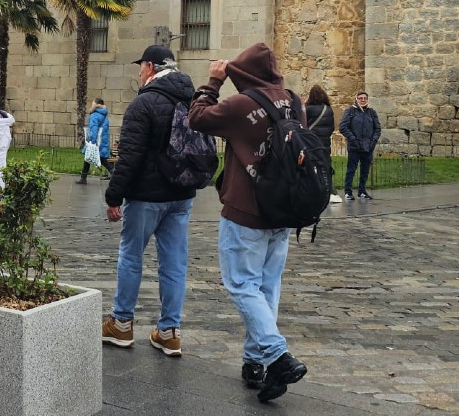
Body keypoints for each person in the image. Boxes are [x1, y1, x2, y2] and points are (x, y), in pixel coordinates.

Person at [187, 42, 308, 403]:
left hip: (246, 211)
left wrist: (213, 81)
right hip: (283, 210)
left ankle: (277, 356)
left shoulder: (241, 105)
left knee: (242, 284)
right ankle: (256, 362)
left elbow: (197, 118)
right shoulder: (295, 101)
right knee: (267, 287)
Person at [101, 46, 199, 357]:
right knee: (174, 263)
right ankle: (169, 331)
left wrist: (113, 195)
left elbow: (129, 157)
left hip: (146, 196)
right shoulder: (192, 99)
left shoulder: (143, 104)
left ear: (151, 67)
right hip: (181, 195)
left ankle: (122, 323)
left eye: (141, 66)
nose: (139, 72)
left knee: (131, 256)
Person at [339, 91, 381, 201]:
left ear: (367, 100)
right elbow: (343, 127)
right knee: (351, 169)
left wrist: (373, 141)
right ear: (356, 99)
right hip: (354, 146)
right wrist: (352, 139)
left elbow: (377, 128)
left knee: (365, 170)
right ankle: (348, 192)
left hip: (368, 146)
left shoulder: (372, 113)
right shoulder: (350, 111)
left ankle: (362, 191)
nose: (363, 100)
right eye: (360, 98)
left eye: (365, 98)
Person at [304, 84, 340, 205]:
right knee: (325, 167)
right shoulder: (328, 109)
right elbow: (331, 128)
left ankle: (311, 191)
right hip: (324, 144)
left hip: (310, 143)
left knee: (310, 166)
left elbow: (302, 125)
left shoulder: (308, 109)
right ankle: (329, 191)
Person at [77, 98, 112, 184]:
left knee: (102, 159)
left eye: (92, 103)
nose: (91, 105)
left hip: (95, 141)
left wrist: (91, 141)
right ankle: (83, 178)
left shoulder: (94, 115)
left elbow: (93, 129)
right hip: (102, 141)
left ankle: (116, 174)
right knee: (88, 158)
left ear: (96, 105)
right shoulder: (104, 115)